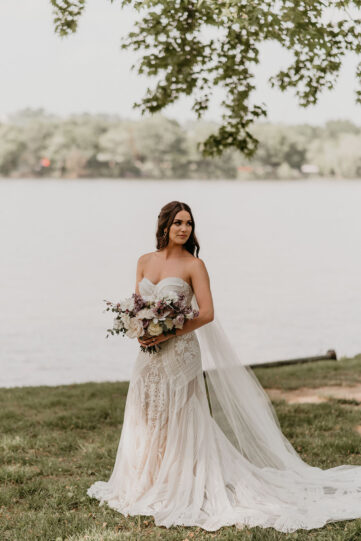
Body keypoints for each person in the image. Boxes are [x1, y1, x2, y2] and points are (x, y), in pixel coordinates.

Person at [87, 201, 361, 533]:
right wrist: (142, 332)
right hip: (148, 356)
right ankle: (145, 479)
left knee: (180, 414)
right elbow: (138, 305)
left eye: (189, 223)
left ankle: (179, 481)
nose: (184, 229)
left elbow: (206, 313)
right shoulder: (144, 261)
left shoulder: (194, 265)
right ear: (164, 226)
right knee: (147, 411)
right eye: (178, 223)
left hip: (181, 351)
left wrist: (169, 331)